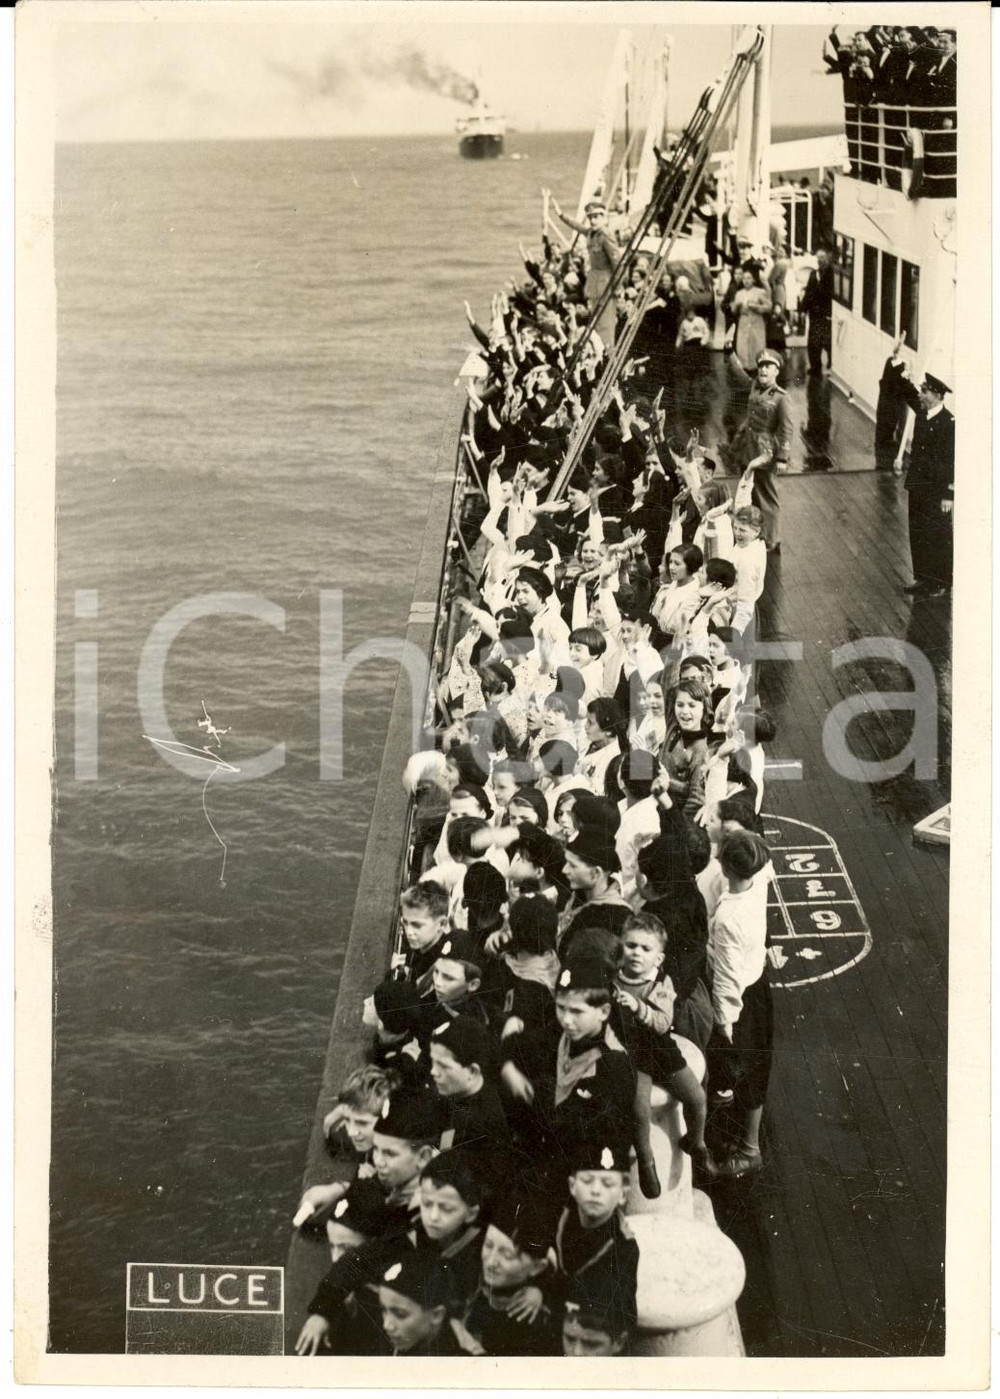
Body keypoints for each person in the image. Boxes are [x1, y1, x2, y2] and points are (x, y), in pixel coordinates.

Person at [706, 831, 775, 1179]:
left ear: (723, 866)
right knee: (757, 1064)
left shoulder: (728, 921)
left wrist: (723, 1025)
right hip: (758, 986)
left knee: (746, 1072)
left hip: (741, 1001)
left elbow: (726, 980)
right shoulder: (759, 882)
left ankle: (751, 1151)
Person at [723, 347, 791, 553]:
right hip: (747, 446)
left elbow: (787, 428)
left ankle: (773, 539)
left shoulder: (781, 397)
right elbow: (739, 374)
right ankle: (754, 532)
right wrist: (730, 354)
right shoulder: (754, 386)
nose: (763, 370)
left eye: (769, 366)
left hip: (765, 451)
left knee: (767, 495)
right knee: (749, 491)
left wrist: (783, 458)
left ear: (776, 372)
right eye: (761, 366)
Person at [899, 370, 954, 597]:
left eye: (925, 392)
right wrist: (899, 368)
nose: (920, 395)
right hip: (918, 486)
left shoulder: (948, 423)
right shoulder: (924, 414)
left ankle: (940, 581)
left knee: (937, 534)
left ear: (937, 395)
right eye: (921, 390)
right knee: (919, 531)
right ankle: (923, 578)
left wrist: (948, 495)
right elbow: (907, 392)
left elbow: (951, 461)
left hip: (936, 490)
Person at [549, 195, 620, 350]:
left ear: (603, 217)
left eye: (596, 217)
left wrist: (618, 289)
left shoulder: (605, 236)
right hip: (595, 283)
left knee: (605, 326)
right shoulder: (591, 233)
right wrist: (561, 215)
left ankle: (607, 356)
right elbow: (576, 226)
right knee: (596, 322)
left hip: (605, 284)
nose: (593, 221)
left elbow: (617, 263)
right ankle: (599, 353)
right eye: (590, 218)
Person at [730, 265, 772, 367]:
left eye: (749, 278)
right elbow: (733, 311)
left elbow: (768, 307)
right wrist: (737, 305)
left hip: (756, 321)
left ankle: (757, 368)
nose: (746, 281)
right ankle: (745, 370)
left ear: (753, 280)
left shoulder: (760, 292)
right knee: (742, 347)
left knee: (757, 346)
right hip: (743, 322)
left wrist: (756, 306)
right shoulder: (739, 293)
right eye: (744, 278)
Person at [800, 248, 833, 375]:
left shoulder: (831, 274)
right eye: (818, 257)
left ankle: (831, 363)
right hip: (814, 313)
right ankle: (815, 366)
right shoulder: (814, 274)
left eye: (822, 257)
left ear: (827, 259)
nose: (820, 260)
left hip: (826, 313)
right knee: (813, 341)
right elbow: (808, 292)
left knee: (828, 341)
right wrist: (803, 309)